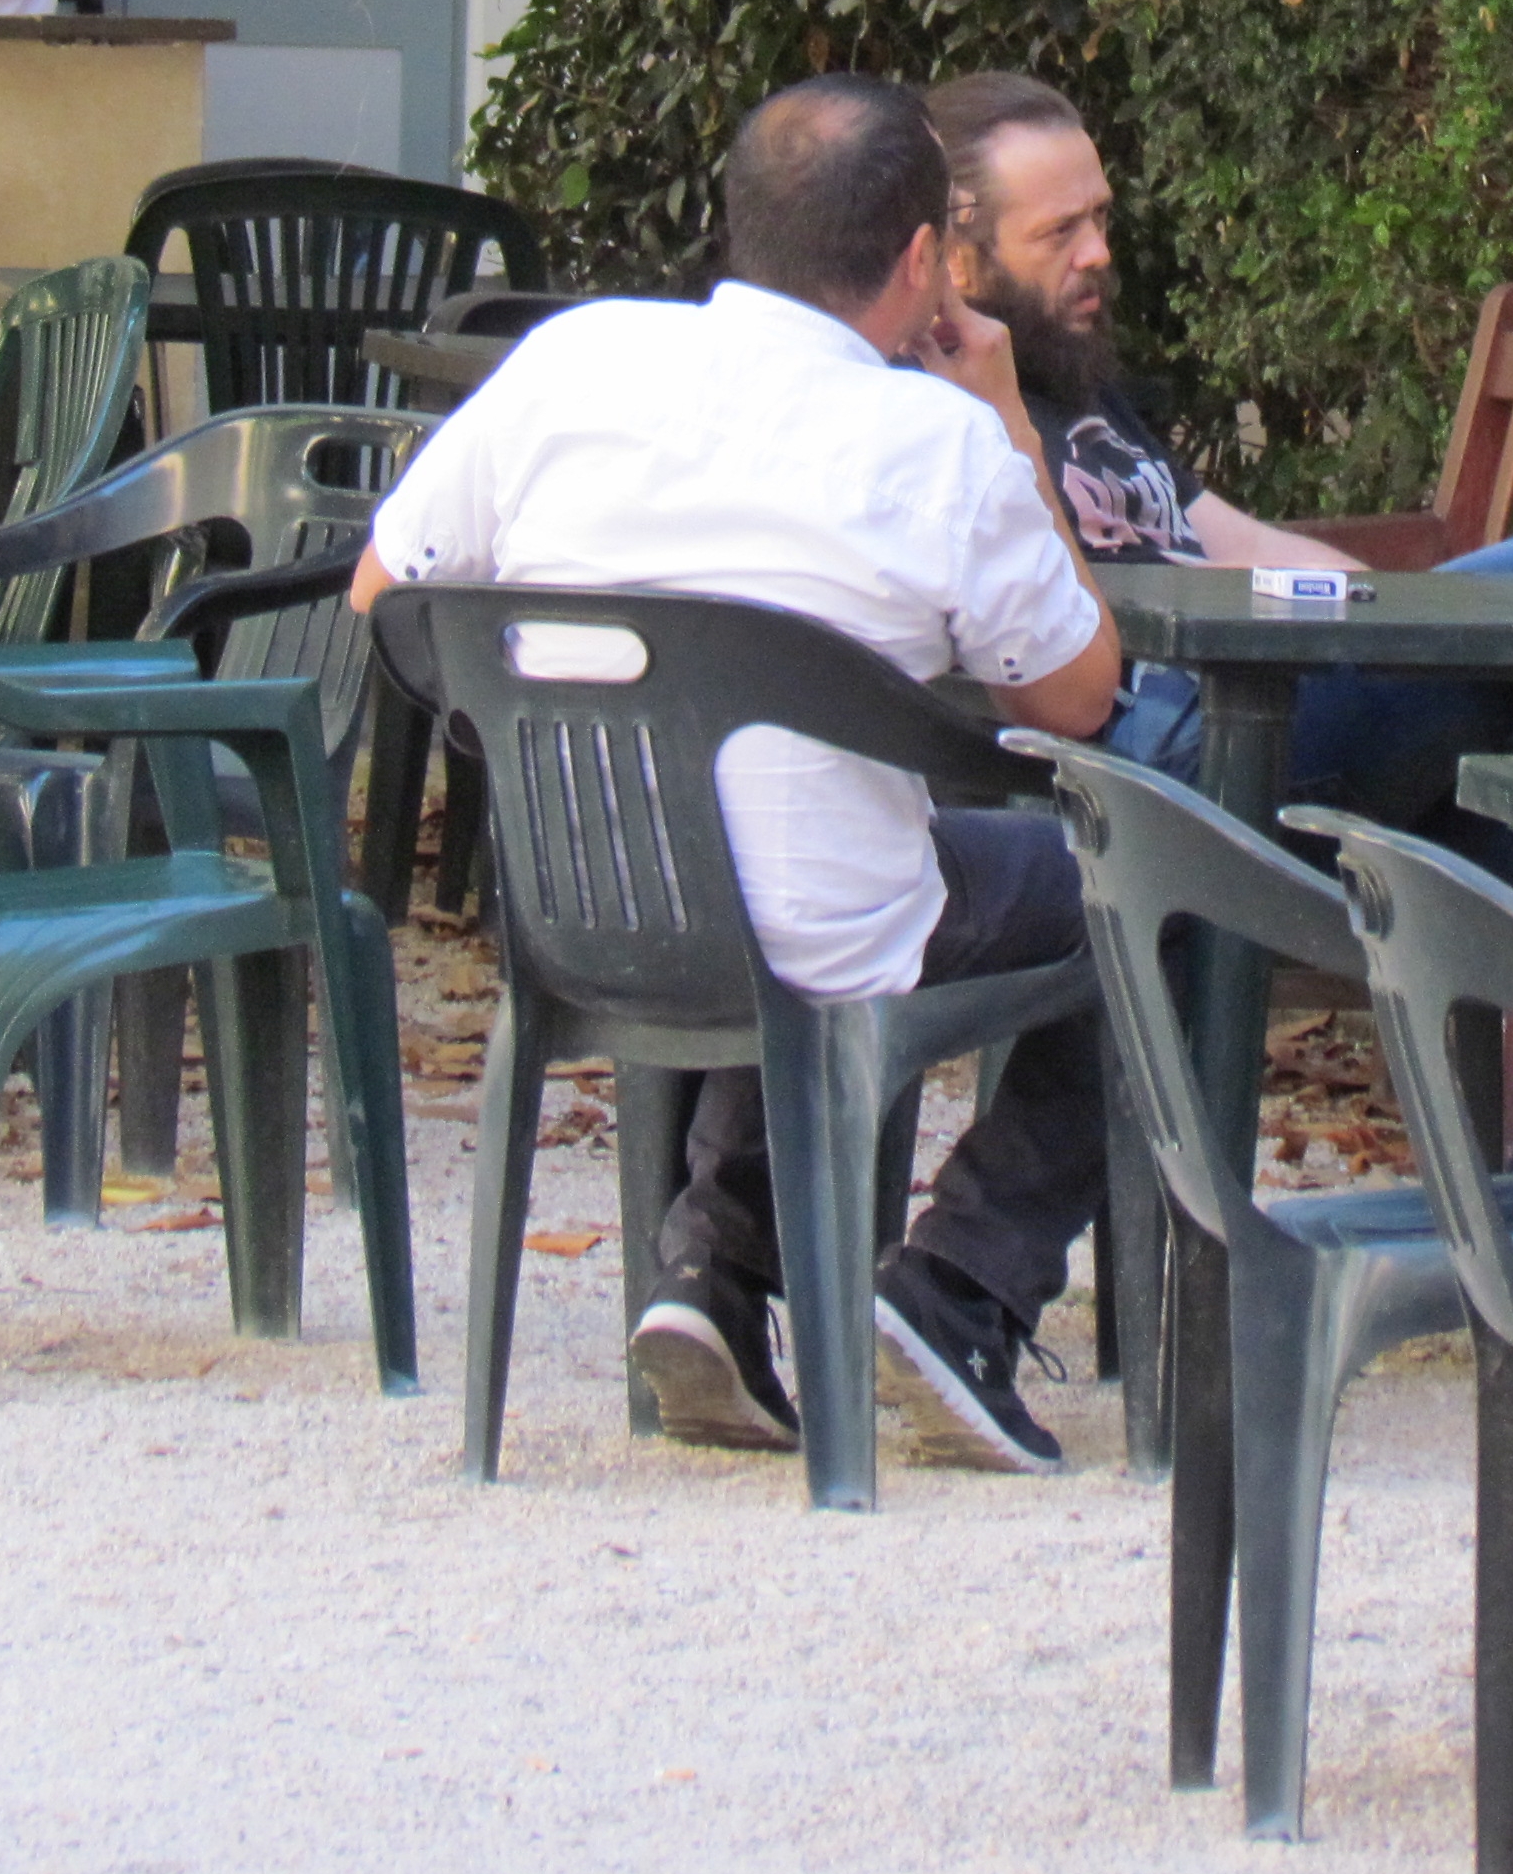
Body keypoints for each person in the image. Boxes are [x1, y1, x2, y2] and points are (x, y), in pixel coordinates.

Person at [347, 75, 1122, 1474]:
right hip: (824, 922)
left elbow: (382, 593)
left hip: (581, 906)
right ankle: (963, 1288)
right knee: (1151, 895)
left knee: (816, 846)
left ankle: (711, 1276)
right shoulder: (934, 440)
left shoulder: (573, 363)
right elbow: (1079, 696)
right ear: (914, 265)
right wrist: (1004, 417)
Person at [921, 71, 1513, 876]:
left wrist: (1424, 652)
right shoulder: (951, 415)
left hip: (1269, 718)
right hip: (1172, 769)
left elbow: (1239, 544)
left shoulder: (1071, 384)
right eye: (1060, 233)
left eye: (1101, 217)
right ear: (958, 263)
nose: (1099, 252)